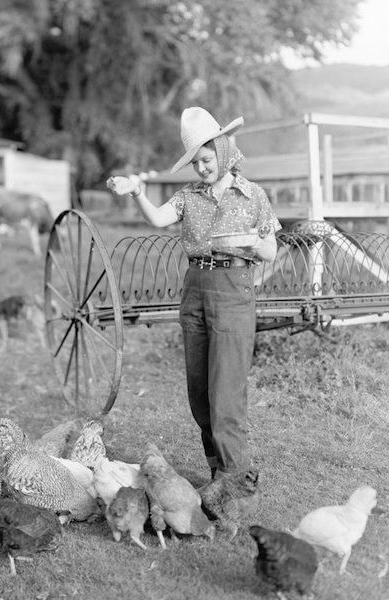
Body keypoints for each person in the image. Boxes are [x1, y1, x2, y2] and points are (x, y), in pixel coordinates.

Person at [107, 106, 281, 488]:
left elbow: (270, 250)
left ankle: (238, 484)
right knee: (200, 394)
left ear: (223, 151)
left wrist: (252, 240)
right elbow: (157, 219)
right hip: (196, 288)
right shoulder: (189, 197)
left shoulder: (253, 196)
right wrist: (137, 191)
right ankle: (218, 476)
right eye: (196, 163)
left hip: (235, 289)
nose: (202, 168)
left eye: (207, 159)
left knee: (226, 395)